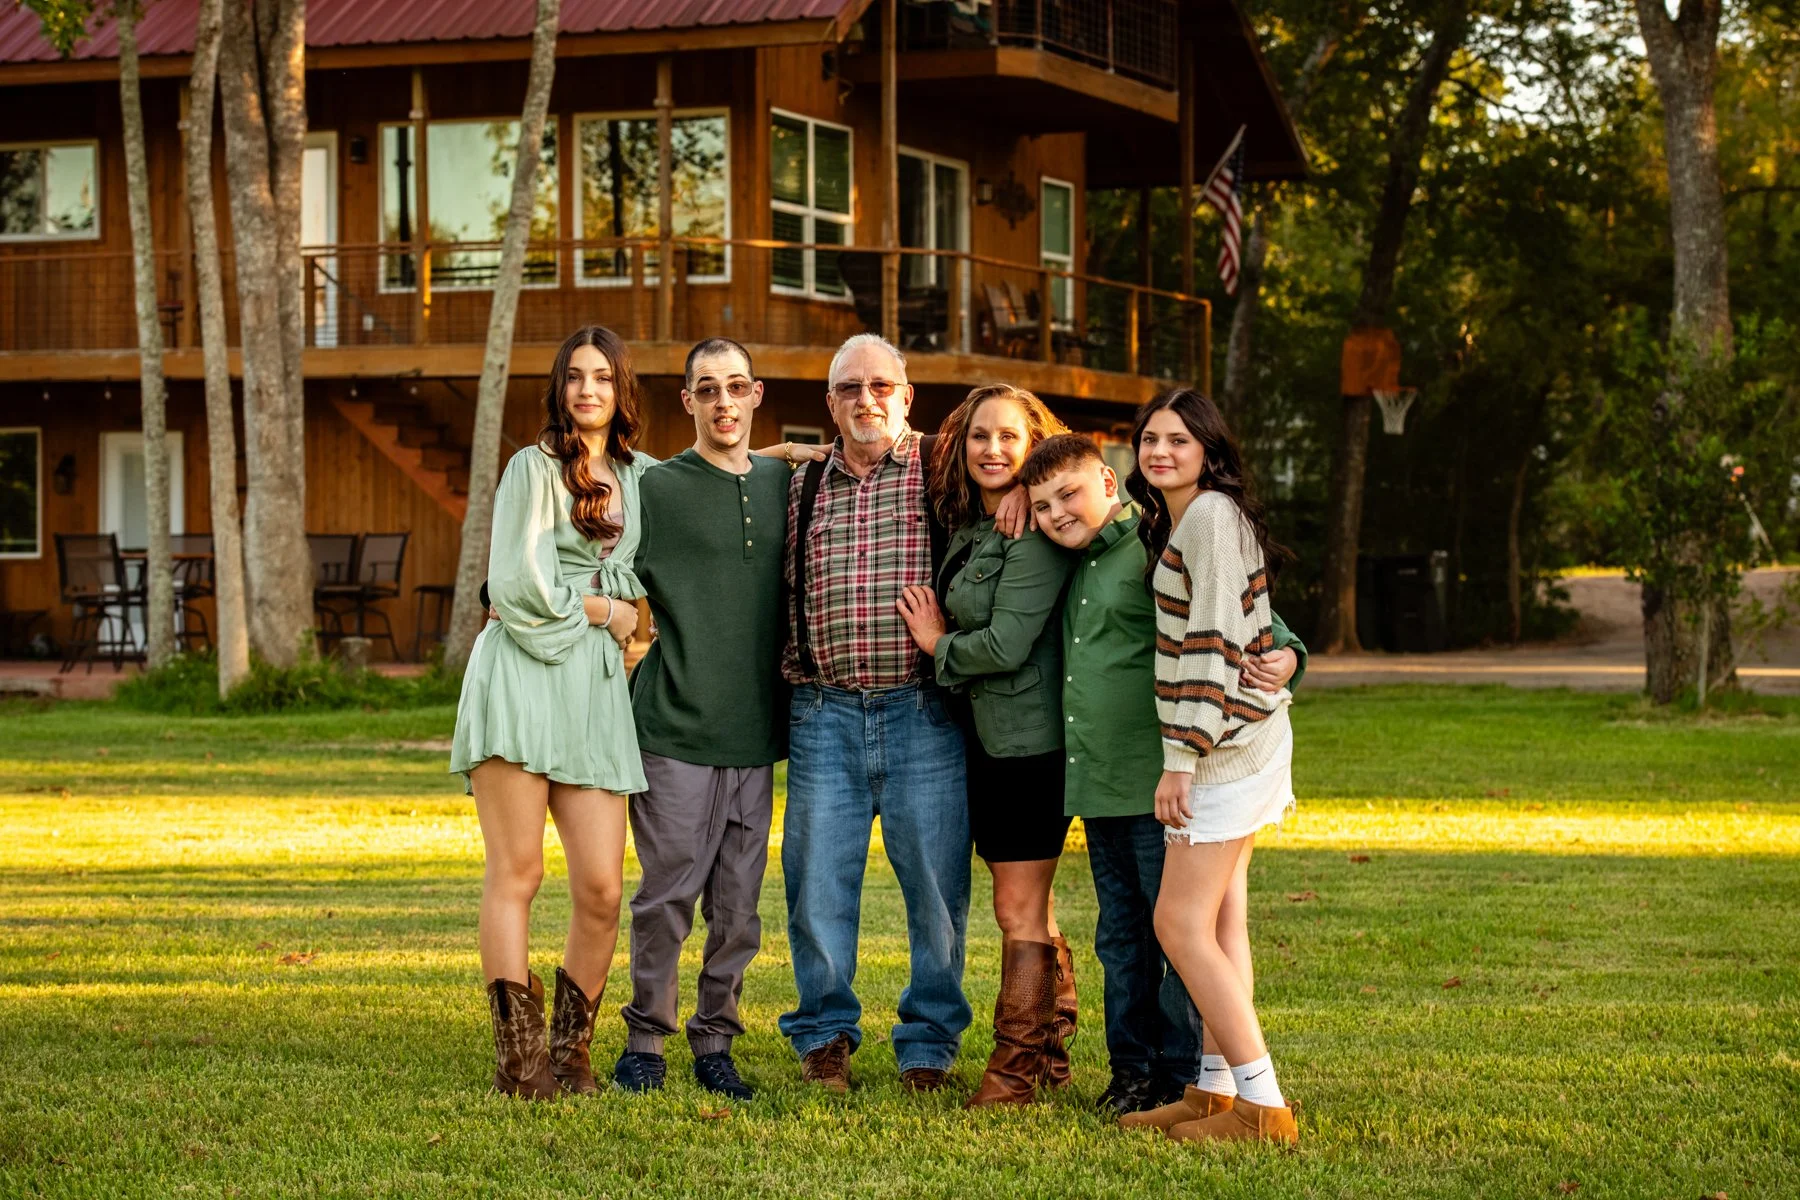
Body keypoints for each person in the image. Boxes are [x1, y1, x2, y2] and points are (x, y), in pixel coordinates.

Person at [1021, 432, 1305, 1121]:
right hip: (1097, 781)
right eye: (1040, 505)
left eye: (1069, 495)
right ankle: (1136, 1072)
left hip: (1168, 775)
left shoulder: (1152, 545)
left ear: (1109, 485)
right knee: (1121, 937)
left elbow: (1240, 614)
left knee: (1176, 931)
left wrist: (1291, 654)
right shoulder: (1057, 560)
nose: (1056, 512)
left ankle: (1191, 1075)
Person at [777, 333, 1029, 1094]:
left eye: (881, 385)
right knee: (817, 884)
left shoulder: (944, 466)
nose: (866, 400)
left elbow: (1023, 445)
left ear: (907, 396)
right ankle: (825, 1037)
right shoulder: (803, 482)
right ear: (830, 404)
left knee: (936, 890)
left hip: (924, 712)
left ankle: (928, 1045)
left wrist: (1024, 483)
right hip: (823, 712)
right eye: (849, 388)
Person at [612, 338, 825, 1101]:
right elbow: (587, 543)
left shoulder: (784, 481)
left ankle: (716, 1042)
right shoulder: (654, 489)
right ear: (688, 402)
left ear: (757, 393)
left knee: (737, 909)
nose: (724, 402)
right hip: (673, 725)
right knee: (667, 894)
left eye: (736, 387)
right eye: (708, 390)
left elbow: (765, 464)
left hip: (756, 735)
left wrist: (793, 449)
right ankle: (645, 1041)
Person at [449, 325, 651, 1099]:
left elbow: (712, 470)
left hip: (594, 697)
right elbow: (516, 587)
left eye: (603, 376)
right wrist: (607, 611)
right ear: (560, 388)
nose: (588, 390)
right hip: (523, 678)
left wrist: (788, 458)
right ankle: (521, 1064)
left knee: (602, 888)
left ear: (621, 389)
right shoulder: (531, 470)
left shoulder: (639, 475)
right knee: (519, 872)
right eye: (575, 377)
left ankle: (570, 1055)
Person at [1119, 389, 1302, 1145]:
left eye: (1178, 441)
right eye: (1149, 439)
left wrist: (1181, 761)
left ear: (1208, 451)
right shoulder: (1188, 517)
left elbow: (1213, 642)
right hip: (1242, 738)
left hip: (1224, 750)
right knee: (1223, 919)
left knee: (1178, 921)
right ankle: (1214, 1093)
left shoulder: (1210, 517)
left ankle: (1263, 1106)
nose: (1159, 452)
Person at [895, 384, 1078, 1108]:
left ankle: (1012, 1073)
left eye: (1010, 437)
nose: (993, 450)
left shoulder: (1035, 529)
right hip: (986, 740)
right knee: (1032, 906)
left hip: (1027, 749)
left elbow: (1005, 644)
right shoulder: (976, 522)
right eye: (979, 437)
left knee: (1016, 910)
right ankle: (1051, 1052)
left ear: (1037, 443)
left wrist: (938, 643)